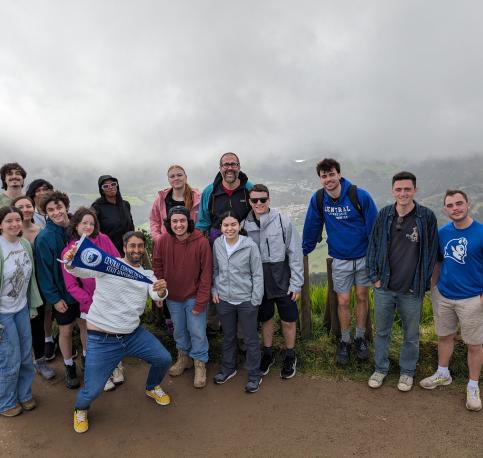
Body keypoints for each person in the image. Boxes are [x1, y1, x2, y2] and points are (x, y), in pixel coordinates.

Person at [63, 231, 172, 434]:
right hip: (101, 339)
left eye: (140, 246)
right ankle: (80, 408)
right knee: (93, 389)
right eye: (132, 245)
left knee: (163, 358)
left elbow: (157, 293)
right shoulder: (109, 264)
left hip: (133, 334)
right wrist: (70, 261)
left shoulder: (147, 275)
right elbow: (78, 271)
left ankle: (151, 387)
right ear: (124, 247)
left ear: (144, 249)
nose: (136, 250)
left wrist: (162, 290)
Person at [366, 171, 438, 391]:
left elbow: (431, 251)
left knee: (411, 335)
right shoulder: (384, 214)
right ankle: (380, 368)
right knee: (382, 331)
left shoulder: (426, 217)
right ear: (392, 191)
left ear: (415, 190)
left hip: (411, 288)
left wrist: (423, 283)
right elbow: (373, 246)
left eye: (407, 189)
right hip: (384, 287)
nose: (403, 193)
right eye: (399, 189)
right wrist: (375, 278)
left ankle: (407, 372)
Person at [302, 158, 378, 364]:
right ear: (320, 178)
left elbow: (374, 228)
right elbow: (312, 225)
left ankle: (360, 338)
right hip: (340, 258)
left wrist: (376, 256)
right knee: (343, 301)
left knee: (362, 297)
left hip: (363, 257)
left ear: (339, 174)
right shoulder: (319, 199)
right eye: (324, 176)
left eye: (331, 174)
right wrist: (304, 249)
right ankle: (345, 340)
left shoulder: (359, 196)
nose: (328, 179)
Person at [420, 190, 483, 411]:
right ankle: (442, 373)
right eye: (450, 205)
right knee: (444, 336)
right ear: (445, 210)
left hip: (473, 298)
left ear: (468, 204)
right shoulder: (443, 233)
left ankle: (473, 385)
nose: (455, 208)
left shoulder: (481, 232)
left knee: (474, 344)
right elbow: (438, 262)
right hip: (444, 295)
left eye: (459, 203)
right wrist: (434, 287)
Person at [242, 184, 304, 379]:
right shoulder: (244, 226)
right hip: (260, 281)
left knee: (288, 319)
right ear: (249, 202)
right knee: (265, 318)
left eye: (263, 199)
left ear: (269, 200)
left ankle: (290, 354)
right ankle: (268, 354)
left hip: (283, 278)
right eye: (254, 200)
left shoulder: (282, 221)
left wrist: (296, 283)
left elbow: (295, 253)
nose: (259, 203)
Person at [61, 207, 123, 391]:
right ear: (76, 225)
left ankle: (117, 367)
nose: (88, 226)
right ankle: (100, 374)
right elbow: (71, 284)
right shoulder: (69, 251)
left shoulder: (103, 239)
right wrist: (88, 302)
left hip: (111, 297)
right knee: (96, 340)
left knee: (114, 333)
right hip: (91, 304)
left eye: (91, 223)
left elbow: (117, 261)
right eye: (84, 223)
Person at [152, 206, 212, 388]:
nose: (179, 225)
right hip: (173, 296)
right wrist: (160, 292)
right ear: (169, 223)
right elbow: (158, 266)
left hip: (194, 296)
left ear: (188, 222)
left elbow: (206, 274)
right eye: (175, 221)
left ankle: (200, 363)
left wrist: (201, 301)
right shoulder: (163, 241)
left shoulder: (201, 242)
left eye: (182, 220)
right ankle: (183, 357)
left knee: (197, 331)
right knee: (179, 330)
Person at [196, 152, 253, 332]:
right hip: (216, 242)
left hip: (243, 243)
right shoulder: (209, 191)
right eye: (226, 164)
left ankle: (242, 327)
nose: (229, 168)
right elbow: (203, 221)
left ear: (239, 167)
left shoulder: (248, 188)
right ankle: (213, 324)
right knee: (215, 278)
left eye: (233, 164)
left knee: (243, 279)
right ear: (220, 168)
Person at [212, 211, 264, 393]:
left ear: (239, 226)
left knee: (250, 339)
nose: (230, 228)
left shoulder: (249, 246)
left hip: (246, 299)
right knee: (228, 336)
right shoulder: (217, 244)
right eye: (226, 225)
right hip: (224, 299)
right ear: (221, 228)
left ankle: (254, 374)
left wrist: (255, 299)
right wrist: (215, 289)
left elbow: (257, 274)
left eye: (233, 224)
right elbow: (215, 270)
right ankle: (228, 368)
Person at [34, 191, 82, 389]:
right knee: (66, 330)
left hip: (83, 290)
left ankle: (87, 359)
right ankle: (69, 366)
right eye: (50, 210)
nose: (56, 212)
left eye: (59, 207)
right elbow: (43, 272)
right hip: (62, 294)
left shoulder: (76, 229)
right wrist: (54, 298)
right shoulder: (44, 238)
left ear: (66, 207)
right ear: (45, 213)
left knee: (86, 326)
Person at [0, 206, 42, 417]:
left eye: (17, 219)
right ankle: (6, 401)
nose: (15, 224)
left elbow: (30, 278)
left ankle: (24, 394)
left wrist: (32, 305)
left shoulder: (24, 244)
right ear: (1, 224)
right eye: (9, 221)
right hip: (3, 313)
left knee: (26, 355)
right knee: (9, 357)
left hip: (21, 308)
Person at [149, 165, 201, 335]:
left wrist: (197, 240)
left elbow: (201, 221)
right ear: (168, 179)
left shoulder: (196, 197)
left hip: (189, 245)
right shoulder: (162, 198)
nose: (176, 178)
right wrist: (158, 239)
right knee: (166, 279)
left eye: (179, 175)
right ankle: (171, 321)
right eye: (172, 176)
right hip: (167, 247)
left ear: (186, 176)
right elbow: (154, 220)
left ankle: (192, 320)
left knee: (188, 279)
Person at [12, 196, 55, 381]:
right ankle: (20, 364)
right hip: (17, 286)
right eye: (20, 207)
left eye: (28, 206)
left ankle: (39, 360)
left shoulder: (41, 230)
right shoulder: (11, 232)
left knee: (37, 324)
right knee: (18, 327)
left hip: (40, 283)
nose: (25, 209)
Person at [92, 175, 134, 255]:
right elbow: (94, 231)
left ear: (117, 186)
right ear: (102, 190)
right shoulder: (97, 207)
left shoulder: (125, 205)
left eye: (113, 184)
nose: (110, 187)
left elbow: (131, 226)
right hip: (110, 253)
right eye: (106, 186)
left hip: (129, 250)